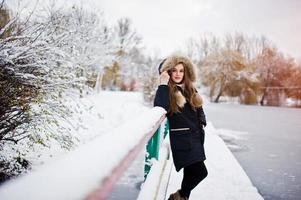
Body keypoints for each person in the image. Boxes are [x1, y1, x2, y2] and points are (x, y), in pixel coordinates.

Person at [154, 55, 208, 200]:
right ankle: (179, 196)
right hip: (183, 141)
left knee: (190, 173)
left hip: (196, 138)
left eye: (181, 70)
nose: (178, 74)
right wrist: (163, 84)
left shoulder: (189, 88)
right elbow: (160, 107)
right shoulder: (167, 91)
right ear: (168, 72)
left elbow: (198, 107)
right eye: (174, 70)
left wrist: (202, 120)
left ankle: (183, 197)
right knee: (201, 172)